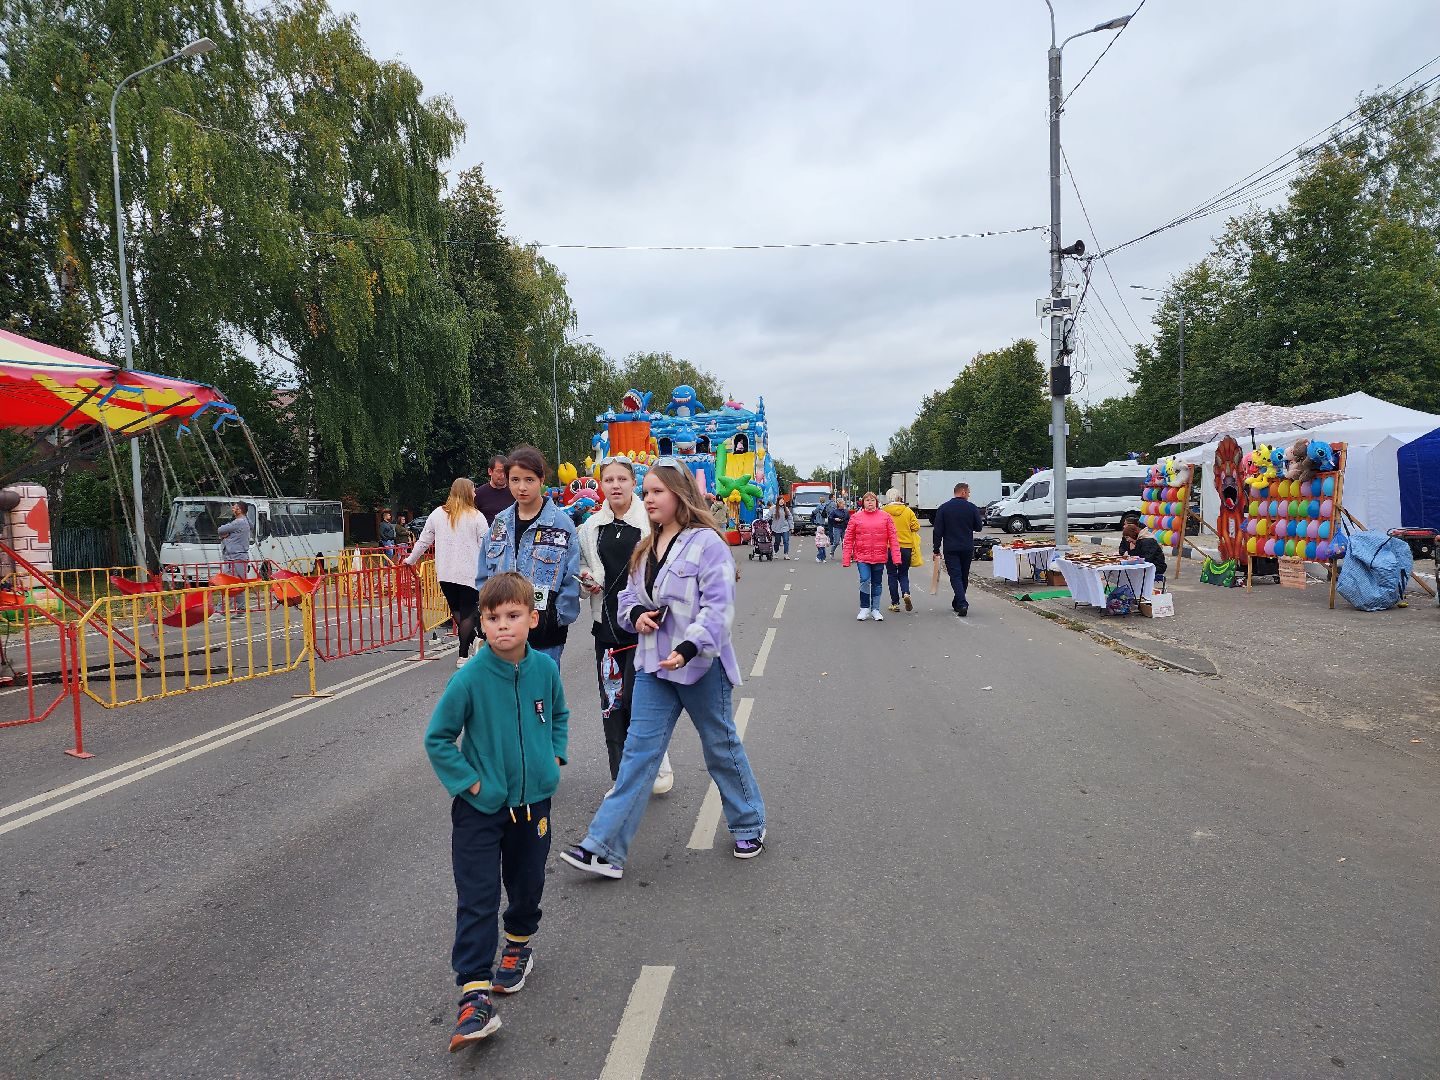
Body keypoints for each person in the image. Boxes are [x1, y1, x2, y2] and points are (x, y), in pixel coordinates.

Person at [559, 459, 766, 878]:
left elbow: (719, 607)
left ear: (679, 495)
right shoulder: (645, 547)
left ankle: (749, 824)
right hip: (653, 664)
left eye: (656, 492)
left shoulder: (707, 543)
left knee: (720, 746)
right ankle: (604, 848)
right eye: (647, 492)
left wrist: (691, 646)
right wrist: (635, 615)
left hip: (700, 666)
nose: (648, 499)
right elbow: (627, 600)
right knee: (638, 755)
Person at [424, 572, 568, 1051]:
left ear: (533, 617)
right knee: (478, 897)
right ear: (480, 622)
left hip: (533, 805)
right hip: (479, 810)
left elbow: (560, 714)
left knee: (527, 886)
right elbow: (438, 738)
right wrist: (471, 782)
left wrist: (556, 755)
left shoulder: (546, 670)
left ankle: (519, 946)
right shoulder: (469, 678)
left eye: (512, 616)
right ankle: (474, 995)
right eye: (491, 618)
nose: (502, 626)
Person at [577, 456, 674, 796]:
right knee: (612, 704)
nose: (615, 485)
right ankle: (621, 779)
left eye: (622, 479)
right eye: (608, 480)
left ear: (634, 483)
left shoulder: (652, 523)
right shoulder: (589, 528)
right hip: (607, 628)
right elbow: (583, 568)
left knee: (641, 702)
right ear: (600, 485)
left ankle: (658, 763)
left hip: (646, 627)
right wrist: (586, 579)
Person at [475, 446, 580, 664]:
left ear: (542, 480)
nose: (521, 487)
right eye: (515, 480)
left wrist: (554, 619)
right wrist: (489, 616)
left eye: (529, 480)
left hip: (545, 639)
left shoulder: (561, 525)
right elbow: (484, 575)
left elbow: (571, 579)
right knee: (503, 697)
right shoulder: (500, 523)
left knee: (539, 697)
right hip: (503, 634)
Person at [406, 478, 490, 668]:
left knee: (458, 613)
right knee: (469, 612)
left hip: (445, 572)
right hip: (470, 573)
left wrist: (410, 559)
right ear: (467, 493)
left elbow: (424, 541)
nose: (476, 494)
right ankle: (463, 654)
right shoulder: (476, 516)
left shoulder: (437, 514)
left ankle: (475, 640)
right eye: (473, 490)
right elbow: (486, 546)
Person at [842, 491, 901, 621]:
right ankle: (864, 608)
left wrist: (896, 557)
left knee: (877, 583)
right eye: (867, 500)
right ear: (863, 503)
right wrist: (846, 558)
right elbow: (848, 538)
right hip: (862, 556)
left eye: (872, 500)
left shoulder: (885, 517)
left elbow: (893, 538)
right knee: (865, 579)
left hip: (879, 557)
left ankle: (875, 609)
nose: (870, 502)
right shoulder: (856, 517)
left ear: (877, 502)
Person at [933, 481, 986, 617]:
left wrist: (936, 549)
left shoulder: (944, 508)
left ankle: (961, 602)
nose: (969, 495)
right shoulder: (972, 508)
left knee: (955, 576)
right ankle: (959, 602)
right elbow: (978, 527)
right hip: (967, 547)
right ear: (963, 492)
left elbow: (938, 530)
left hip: (951, 547)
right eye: (968, 492)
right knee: (963, 576)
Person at [881, 488, 922, 612]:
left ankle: (895, 603)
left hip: (889, 548)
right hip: (906, 547)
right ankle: (906, 593)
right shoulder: (908, 511)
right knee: (903, 573)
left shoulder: (883, 512)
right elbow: (916, 526)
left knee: (892, 574)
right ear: (899, 497)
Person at [216, 502, 252, 614]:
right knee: (239, 583)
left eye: (235, 507)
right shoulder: (246, 521)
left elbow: (220, 530)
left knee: (228, 583)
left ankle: (220, 611)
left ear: (240, 510)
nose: (232, 508)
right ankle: (241, 609)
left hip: (234, 557)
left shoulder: (238, 522)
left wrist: (226, 535)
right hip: (240, 557)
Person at [474, 454, 515, 523]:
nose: (503, 476)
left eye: (505, 472)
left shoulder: (515, 492)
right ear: (490, 471)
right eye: (499, 471)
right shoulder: (478, 494)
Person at [826, 497, 851, 561]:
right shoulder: (834, 511)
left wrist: (848, 523)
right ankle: (832, 552)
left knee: (844, 542)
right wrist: (835, 519)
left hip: (844, 528)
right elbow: (829, 517)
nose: (844, 505)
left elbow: (849, 518)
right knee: (836, 542)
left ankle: (845, 555)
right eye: (843, 504)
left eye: (844, 504)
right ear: (839, 504)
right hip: (837, 527)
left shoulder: (846, 511)